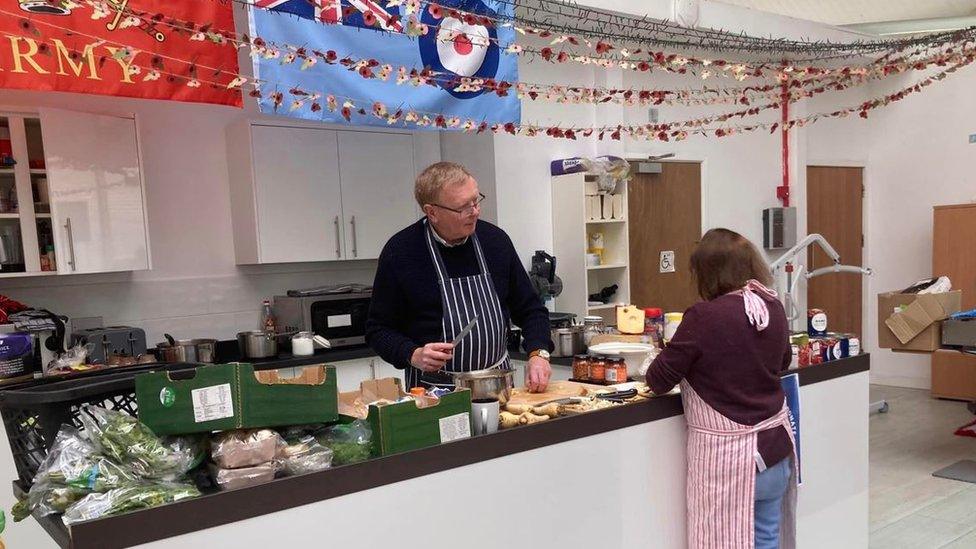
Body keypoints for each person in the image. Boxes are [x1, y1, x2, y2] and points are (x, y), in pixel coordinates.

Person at [645, 228, 796, 549]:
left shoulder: (704, 317)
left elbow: (658, 380)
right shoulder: (772, 306)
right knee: (767, 539)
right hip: (774, 452)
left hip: (732, 464)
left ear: (706, 273)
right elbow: (783, 362)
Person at [366, 162, 553, 392]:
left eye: (476, 201)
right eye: (463, 207)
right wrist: (412, 354)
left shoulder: (495, 241)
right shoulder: (401, 252)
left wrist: (539, 353)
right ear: (432, 212)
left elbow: (531, 309)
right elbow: (378, 330)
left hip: (498, 386)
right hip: (432, 392)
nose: (474, 211)